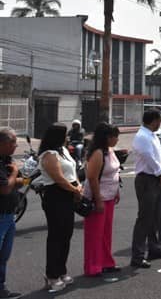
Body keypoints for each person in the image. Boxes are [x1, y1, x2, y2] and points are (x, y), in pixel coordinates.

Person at [38, 123, 82, 291]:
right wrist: (74, 189)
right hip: (56, 196)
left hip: (69, 194)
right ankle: (52, 275)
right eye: (64, 135)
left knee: (66, 234)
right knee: (56, 236)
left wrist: (77, 186)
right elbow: (59, 178)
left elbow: (72, 172)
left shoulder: (63, 151)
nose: (67, 137)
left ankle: (61, 270)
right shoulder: (49, 155)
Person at [130, 109, 161, 269]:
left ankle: (153, 248)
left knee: (155, 216)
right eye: (159, 121)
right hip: (146, 180)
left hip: (155, 178)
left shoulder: (152, 135)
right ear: (153, 120)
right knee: (144, 218)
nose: (160, 124)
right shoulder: (142, 136)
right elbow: (148, 157)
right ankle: (137, 256)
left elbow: (159, 157)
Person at [82, 123, 121, 277]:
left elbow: (114, 172)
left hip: (110, 197)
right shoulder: (97, 153)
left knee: (105, 233)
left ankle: (106, 262)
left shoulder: (109, 151)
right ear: (106, 137)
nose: (117, 139)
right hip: (98, 198)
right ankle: (93, 266)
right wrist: (98, 200)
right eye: (114, 137)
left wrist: (116, 191)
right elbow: (92, 178)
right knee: (94, 234)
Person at [0, 128, 23, 298]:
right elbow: (6, 188)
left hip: (9, 214)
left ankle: (1, 287)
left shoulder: (7, 159)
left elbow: (20, 182)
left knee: (4, 255)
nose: (16, 146)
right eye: (13, 142)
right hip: (1, 215)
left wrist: (15, 177)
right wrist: (14, 173)